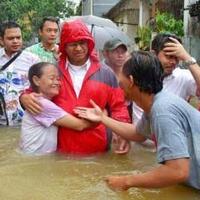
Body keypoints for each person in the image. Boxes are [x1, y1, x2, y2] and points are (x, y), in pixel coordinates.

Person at [75, 51, 200, 190]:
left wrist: (126, 182)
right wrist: (103, 118)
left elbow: (177, 172)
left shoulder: (162, 110)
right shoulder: (156, 103)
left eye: (121, 82)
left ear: (131, 81)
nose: (119, 85)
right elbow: (138, 134)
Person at [20, 19, 130, 155]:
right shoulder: (53, 70)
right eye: (73, 44)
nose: (78, 48)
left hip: (99, 148)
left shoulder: (106, 73)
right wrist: (23, 97)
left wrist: (123, 134)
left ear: (89, 44)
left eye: (82, 43)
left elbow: (118, 106)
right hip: (60, 150)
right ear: (64, 46)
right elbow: (33, 92)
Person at [20, 62, 93, 155]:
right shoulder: (43, 104)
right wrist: (103, 117)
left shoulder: (38, 100)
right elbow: (80, 126)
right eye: (52, 78)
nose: (57, 82)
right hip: (37, 159)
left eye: (58, 79)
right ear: (36, 80)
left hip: (32, 156)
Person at [132, 33, 200, 124]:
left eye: (177, 58)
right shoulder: (139, 76)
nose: (173, 62)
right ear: (153, 54)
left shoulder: (182, 77)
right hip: (142, 135)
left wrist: (186, 57)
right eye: (169, 56)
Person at [0, 21, 40, 126]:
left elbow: (42, 87)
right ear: (1, 40)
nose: (15, 41)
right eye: (10, 38)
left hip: (26, 120)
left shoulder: (32, 60)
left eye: (18, 37)